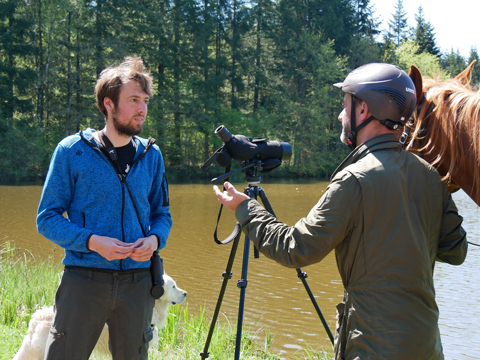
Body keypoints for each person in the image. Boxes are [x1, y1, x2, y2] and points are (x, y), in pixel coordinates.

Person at [213, 63, 467, 360]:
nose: (340, 115)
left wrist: (246, 209)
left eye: (345, 105)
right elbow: (456, 250)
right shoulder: (430, 176)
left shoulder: (354, 179)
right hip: (427, 345)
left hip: (373, 347)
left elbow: (297, 249)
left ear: (364, 110)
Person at [37, 56, 172, 359]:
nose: (143, 109)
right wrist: (92, 242)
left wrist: (154, 240)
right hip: (84, 280)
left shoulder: (152, 155)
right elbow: (46, 218)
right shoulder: (72, 151)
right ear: (109, 104)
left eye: (145, 100)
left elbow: (161, 214)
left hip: (138, 283)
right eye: (134, 99)